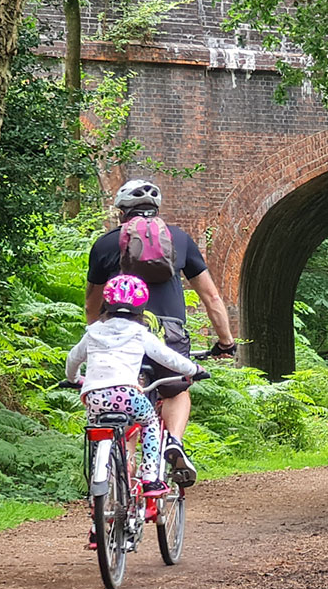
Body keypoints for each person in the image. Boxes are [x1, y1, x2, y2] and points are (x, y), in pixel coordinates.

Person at [85, 179, 236, 487]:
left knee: (127, 398)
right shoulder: (179, 239)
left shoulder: (105, 244)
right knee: (177, 390)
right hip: (169, 332)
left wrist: (96, 337)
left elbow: (91, 304)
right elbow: (211, 297)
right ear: (156, 208)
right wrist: (225, 342)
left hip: (121, 334)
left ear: (121, 212)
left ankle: (121, 479)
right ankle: (174, 442)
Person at [66, 275, 204, 548]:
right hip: (128, 395)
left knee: (99, 438)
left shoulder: (93, 331)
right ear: (141, 307)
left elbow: (73, 359)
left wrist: (75, 378)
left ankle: (98, 515)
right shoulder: (139, 332)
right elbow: (168, 358)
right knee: (150, 422)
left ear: (106, 304)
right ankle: (151, 477)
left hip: (94, 398)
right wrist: (193, 369)